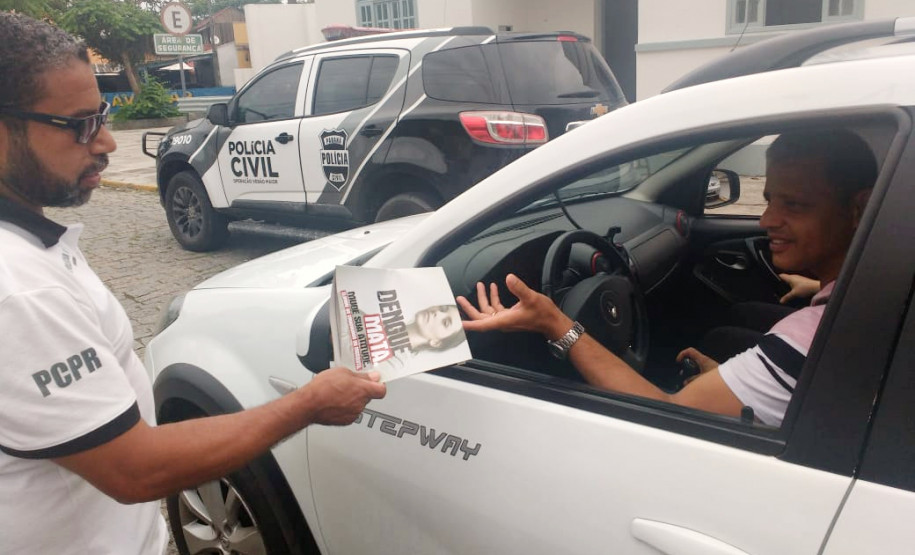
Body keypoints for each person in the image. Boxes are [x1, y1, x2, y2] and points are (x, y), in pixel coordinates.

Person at [0, 14, 386, 554]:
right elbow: (134, 470)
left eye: (103, 114)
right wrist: (306, 405)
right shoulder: (19, 290)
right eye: (81, 124)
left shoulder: (27, 250)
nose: (107, 140)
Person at [459, 128, 876, 427]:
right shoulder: (858, 299)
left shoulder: (807, 338)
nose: (768, 219)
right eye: (768, 200)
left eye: (796, 205)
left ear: (859, 209)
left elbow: (663, 407)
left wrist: (557, 324)